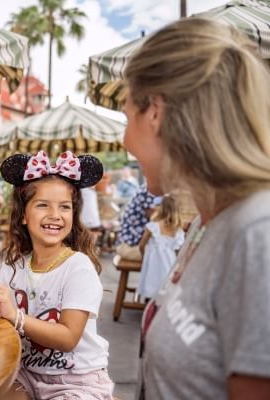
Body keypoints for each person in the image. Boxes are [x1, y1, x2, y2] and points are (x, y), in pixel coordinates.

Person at [122, 18, 270, 398]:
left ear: (154, 111)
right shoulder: (209, 223)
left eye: (126, 116)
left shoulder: (258, 233)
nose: (124, 140)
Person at [0, 150, 114, 399]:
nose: (55, 215)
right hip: (25, 373)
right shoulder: (13, 266)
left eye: (64, 207)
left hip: (76, 380)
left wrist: (15, 316)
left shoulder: (78, 267)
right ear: (23, 215)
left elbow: (68, 338)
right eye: (43, 205)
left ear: (73, 216)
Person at [137, 194, 184, 299]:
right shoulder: (178, 230)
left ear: (161, 208)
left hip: (152, 263)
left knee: (151, 284)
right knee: (165, 287)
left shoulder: (153, 226)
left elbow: (141, 245)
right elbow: (179, 250)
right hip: (170, 263)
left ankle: (148, 305)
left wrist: (143, 256)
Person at [115, 184, 156, 261]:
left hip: (131, 245)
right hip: (129, 248)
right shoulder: (148, 191)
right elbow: (158, 218)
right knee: (165, 256)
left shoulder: (150, 189)